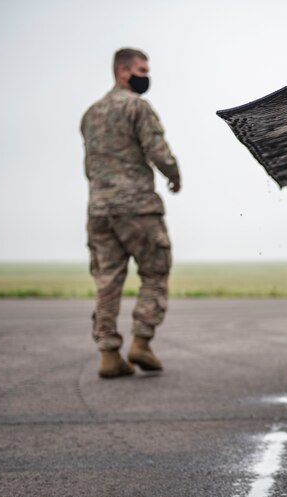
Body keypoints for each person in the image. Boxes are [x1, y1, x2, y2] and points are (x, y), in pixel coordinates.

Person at [81, 48, 181, 378]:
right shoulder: (136, 107)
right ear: (123, 72)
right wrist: (174, 175)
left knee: (107, 281)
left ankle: (108, 355)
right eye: (141, 69)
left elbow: (91, 165)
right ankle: (141, 342)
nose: (145, 75)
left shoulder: (91, 114)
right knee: (155, 271)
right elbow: (157, 151)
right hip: (136, 207)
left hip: (99, 210)